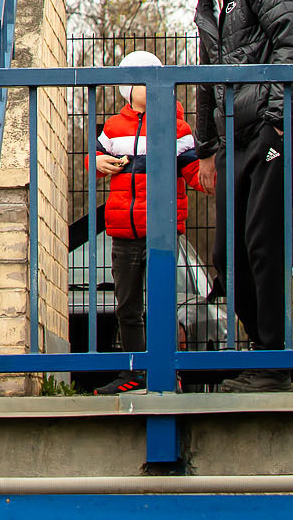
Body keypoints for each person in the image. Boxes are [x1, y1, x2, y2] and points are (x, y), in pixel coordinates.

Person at [163, 0, 293, 393]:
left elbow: (292, 40)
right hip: (234, 138)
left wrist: (274, 116)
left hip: (274, 126)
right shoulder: (208, 7)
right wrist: (206, 150)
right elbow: (208, 83)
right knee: (227, 254)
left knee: (262, 245)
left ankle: (272, 365)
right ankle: (262, 351)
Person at [86, 49, 200, 396]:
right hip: (123, 228)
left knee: (164, 303)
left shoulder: (177, 126)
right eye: (139, 82)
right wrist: (97, 162)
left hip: (162, 229)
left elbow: (194, 171)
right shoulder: (113, 126)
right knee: (127, 305)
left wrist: (210, 173)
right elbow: (96, 157)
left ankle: (169, 372)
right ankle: (135, 372)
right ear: (127, 89)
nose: (147, 87)